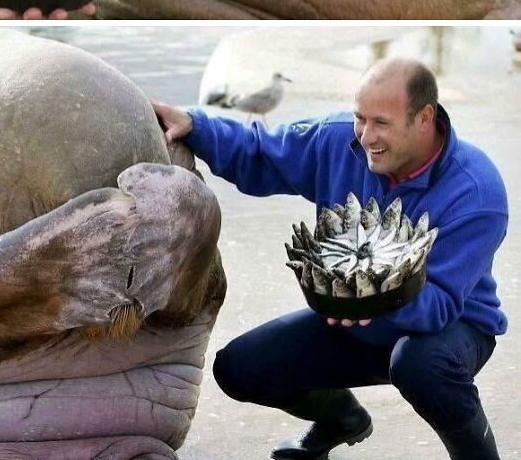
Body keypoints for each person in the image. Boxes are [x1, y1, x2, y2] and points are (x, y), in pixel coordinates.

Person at [152, 58, 508, 460]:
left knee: (419, 365)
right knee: (240, 368)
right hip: (354, 316)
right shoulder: (339, 141)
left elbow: (440, 304)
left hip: (451, 328)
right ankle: (341, 419)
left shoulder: (477, 192)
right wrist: (194, 125)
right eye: (360, 118)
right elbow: (261, 152)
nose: (365, 135)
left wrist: (371, 302)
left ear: (424, 118)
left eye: (381, 122)